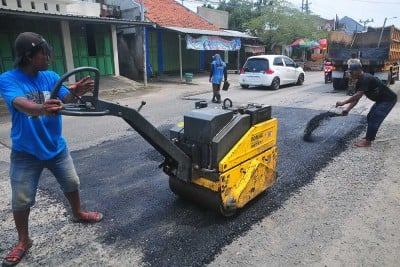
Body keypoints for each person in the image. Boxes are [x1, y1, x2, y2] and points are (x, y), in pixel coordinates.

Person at [0, 32, 103, 266]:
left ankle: (77, 213)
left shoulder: (50, 76)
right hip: (26, 152)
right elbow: (20, 104)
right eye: (43, 53)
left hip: (56, 147)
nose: (48, 57)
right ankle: (23, 241)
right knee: (22, 198)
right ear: (27, 56)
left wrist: (76, 90)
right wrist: (41, 108)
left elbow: (64, 98)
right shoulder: (8, 79)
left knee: (72, 183)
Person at [335, 62, 397, 147]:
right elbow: (357, 98)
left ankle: (368, 141)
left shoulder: (365, 78)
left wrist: (343, 102)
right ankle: (369, 136)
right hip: (381, 100)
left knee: (374, 118)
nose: (350, 74)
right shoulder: (360, 80)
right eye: (349, 72)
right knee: (370, 116)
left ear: (359, 70)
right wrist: (347, 109)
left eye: (351, 72)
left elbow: (358, 95)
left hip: (388, 99)